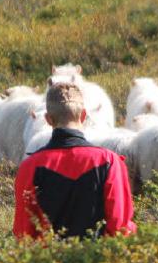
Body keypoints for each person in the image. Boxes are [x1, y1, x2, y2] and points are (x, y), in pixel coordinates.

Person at [13, 82, 136, 240]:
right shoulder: (110, 162)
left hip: (46, 261)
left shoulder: (29, 166)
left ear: (48, 119)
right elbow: (121, 227)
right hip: (99, 261)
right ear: (83, 116)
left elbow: (23, 232)